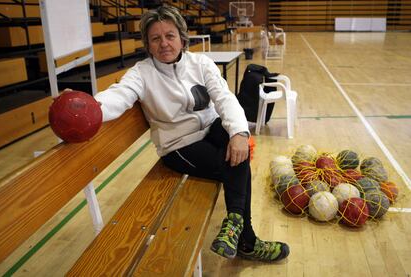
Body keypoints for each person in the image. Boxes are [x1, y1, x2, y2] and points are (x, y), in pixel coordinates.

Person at [94, 5, 289, 262]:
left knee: (238, 142)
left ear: (182, 38)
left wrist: (239, 134)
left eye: (169, 35)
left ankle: (237, 231)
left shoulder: (200, 63)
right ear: (148, 45)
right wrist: (88, 108)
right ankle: (246, 239)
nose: (164, 43)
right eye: (156, 38)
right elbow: (117, 97)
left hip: (209, 131)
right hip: (180, 147)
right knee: (234, 162)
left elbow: (225, 98)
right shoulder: (141, 74)